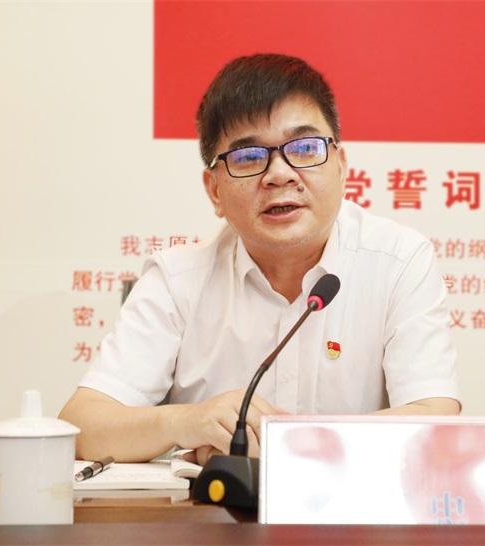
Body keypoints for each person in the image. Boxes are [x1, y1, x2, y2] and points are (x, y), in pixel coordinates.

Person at [59, 53, 460, 466]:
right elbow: (81, 427)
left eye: (304, 148)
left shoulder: (399, 261)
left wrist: (282, 446)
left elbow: (435, 420)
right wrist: (189, 421)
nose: (280, 174)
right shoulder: (177, 280)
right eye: (249, 157)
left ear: (341, 167)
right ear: (215, 190)